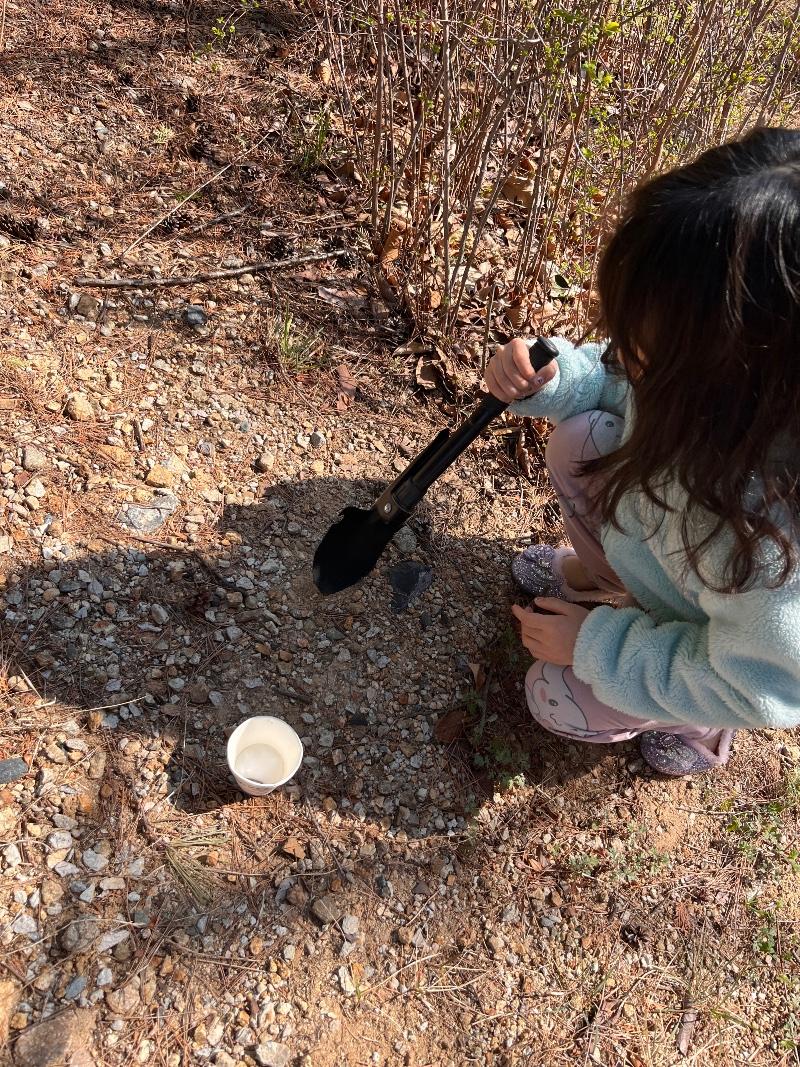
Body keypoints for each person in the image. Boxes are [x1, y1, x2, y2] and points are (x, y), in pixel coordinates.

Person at [484, 127, 800, 776]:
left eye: (646, 345)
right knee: (581, 440)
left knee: (552, 694)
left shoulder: (768, 541)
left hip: (716, 656)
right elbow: (608, 374)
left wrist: (594, 645)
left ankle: (698, 728)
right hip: (664, 562)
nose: (625, 353)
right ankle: (609, 582)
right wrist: (551, 378)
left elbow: (762, 683)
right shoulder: (696, 377)